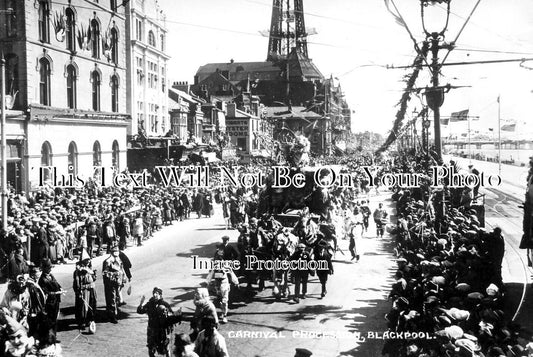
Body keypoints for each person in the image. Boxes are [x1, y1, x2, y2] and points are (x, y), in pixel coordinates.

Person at [137, 287, 182, 357]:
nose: (155, 295)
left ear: (160, 295)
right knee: (151, 348)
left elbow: (170, 316)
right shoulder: (149, 304)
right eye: (154, 293)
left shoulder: (165, 304)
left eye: (157, 293)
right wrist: (141, 304)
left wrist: (177, 316)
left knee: (166, 348)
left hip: (162, 330)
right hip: (152, 329)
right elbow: (140, 311)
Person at [38, 258, 64, 337]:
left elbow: (56, 283)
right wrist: (56, 293)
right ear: (44, 268)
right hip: (49, 303)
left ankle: (54, 336)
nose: (50, 269)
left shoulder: (51, 276)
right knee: (50, 320)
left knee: (55, 319)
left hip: (56, 301)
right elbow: (44, 292)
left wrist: (60, 288)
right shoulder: (42, 279)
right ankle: (49, 337)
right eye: (49, 268)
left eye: (50, 268)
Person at [72, 250, 97, 332]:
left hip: (91, 289)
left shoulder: (89, 269)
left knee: (91, 304)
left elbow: (92, 279)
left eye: (89, 260)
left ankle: (89, 319)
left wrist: (94, 276)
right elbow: (77, 282)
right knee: (83, 306)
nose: (88, 261)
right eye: (86, 260)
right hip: (84, 290)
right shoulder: (79, 271)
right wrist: (79, 291)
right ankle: (82, 321)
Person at [102, 245, 126, 323]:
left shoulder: (119, 259)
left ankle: (114, 312)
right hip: (111, 283)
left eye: (117, 251)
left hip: (118, 282)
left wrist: (123, 278)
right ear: (111, 252)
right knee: (111, 299)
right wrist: (113, 275)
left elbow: (122, 269)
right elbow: (105, 273)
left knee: (117, 298)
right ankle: (112, 315)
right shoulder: (108, 261)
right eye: (115, 251)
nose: (116, 253)